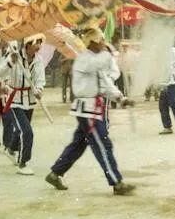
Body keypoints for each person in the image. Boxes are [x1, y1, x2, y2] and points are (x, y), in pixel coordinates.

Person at [45, 27, 136, 194]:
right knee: (103, 144)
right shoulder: (84, 60)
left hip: (92, 110)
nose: (103, 43)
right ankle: (117, 183)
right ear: (93, 42)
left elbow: (106, 84)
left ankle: (55, 173)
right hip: (88, 110)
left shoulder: (96, 59)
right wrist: (114, 55)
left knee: (78, 145)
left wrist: (120, 98)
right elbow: (102, 65)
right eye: (101, 40)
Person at [0, 33, 46, 175]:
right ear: (27, 44)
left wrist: (39, 90)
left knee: (21, 129)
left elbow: (40, 79)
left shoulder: (38, 60)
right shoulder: (15, 56)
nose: (38, 46)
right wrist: (10, 62)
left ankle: (10, 149)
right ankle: (23, 163)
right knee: (27, 132)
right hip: (14, 100)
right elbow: (0, 72)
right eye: (35, 43)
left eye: (39, 43)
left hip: (30, 100)